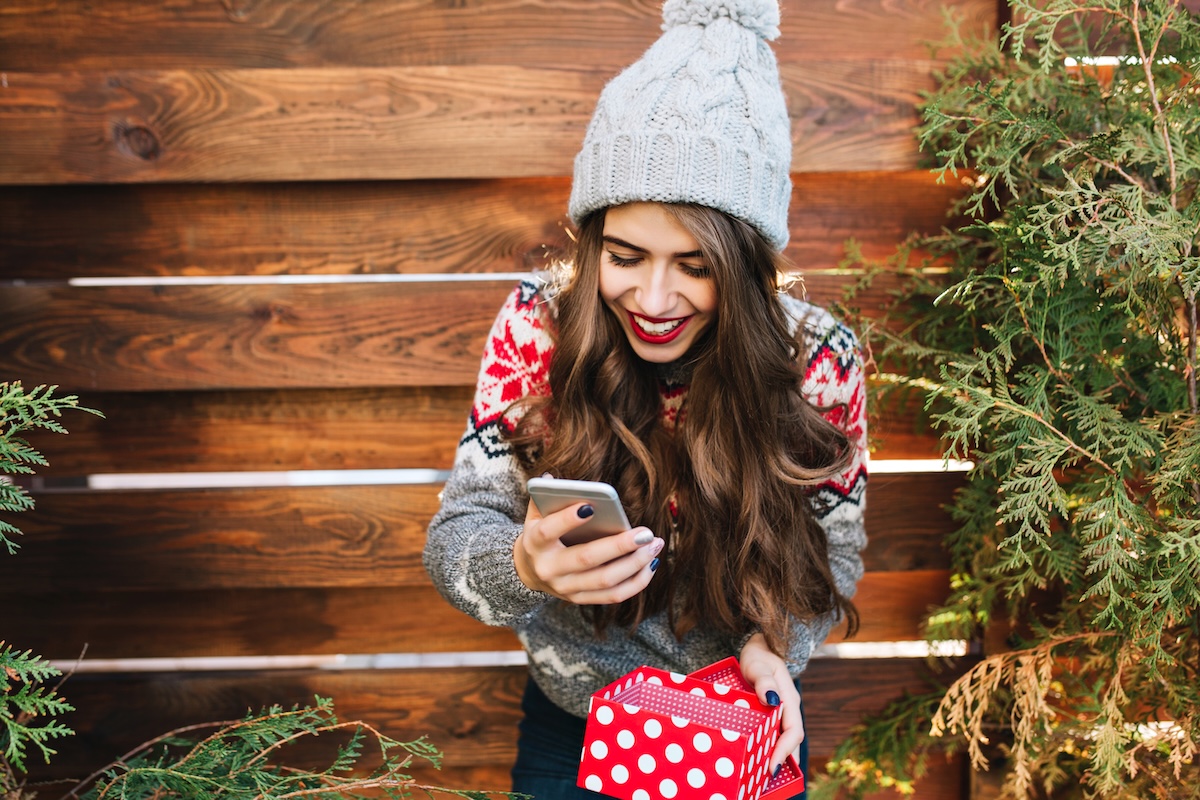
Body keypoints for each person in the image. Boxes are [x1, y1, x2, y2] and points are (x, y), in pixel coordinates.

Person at [424, 1, 868, 797]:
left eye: (695, 267)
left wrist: (777, 646)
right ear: (592, 239)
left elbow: (833, 552)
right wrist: (526, 566)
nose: (654, 298)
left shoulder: (823, 358)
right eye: (625, 256)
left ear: (748, 264)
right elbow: (456, 540)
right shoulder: (538, 323)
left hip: (742, 728)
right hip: (574, 730)